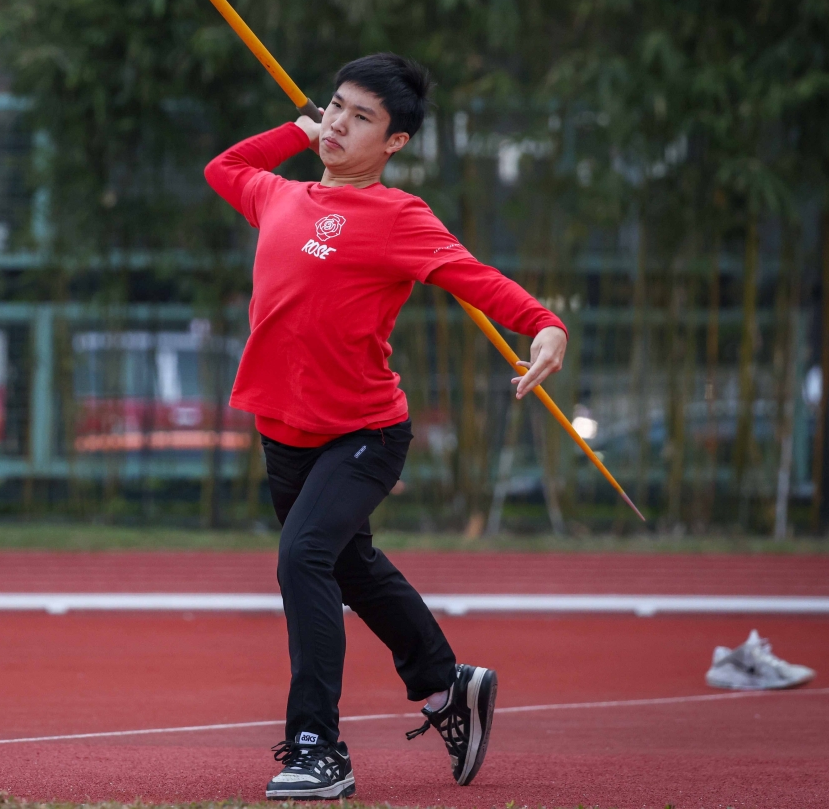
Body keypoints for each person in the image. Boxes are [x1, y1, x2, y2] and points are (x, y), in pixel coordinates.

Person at [203, 53, 569, 799]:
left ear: (395, 141)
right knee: (351, 566)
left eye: (361, 116)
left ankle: (318, 749)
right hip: (284, 430)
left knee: (303, 557)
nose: (339, 122)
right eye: (335, 106)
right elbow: (224, 168)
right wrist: (295, 131)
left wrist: (544, 325)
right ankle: (446, 683)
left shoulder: (399, 217)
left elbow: (476, 278)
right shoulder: (278, 195)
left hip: (364, 432)